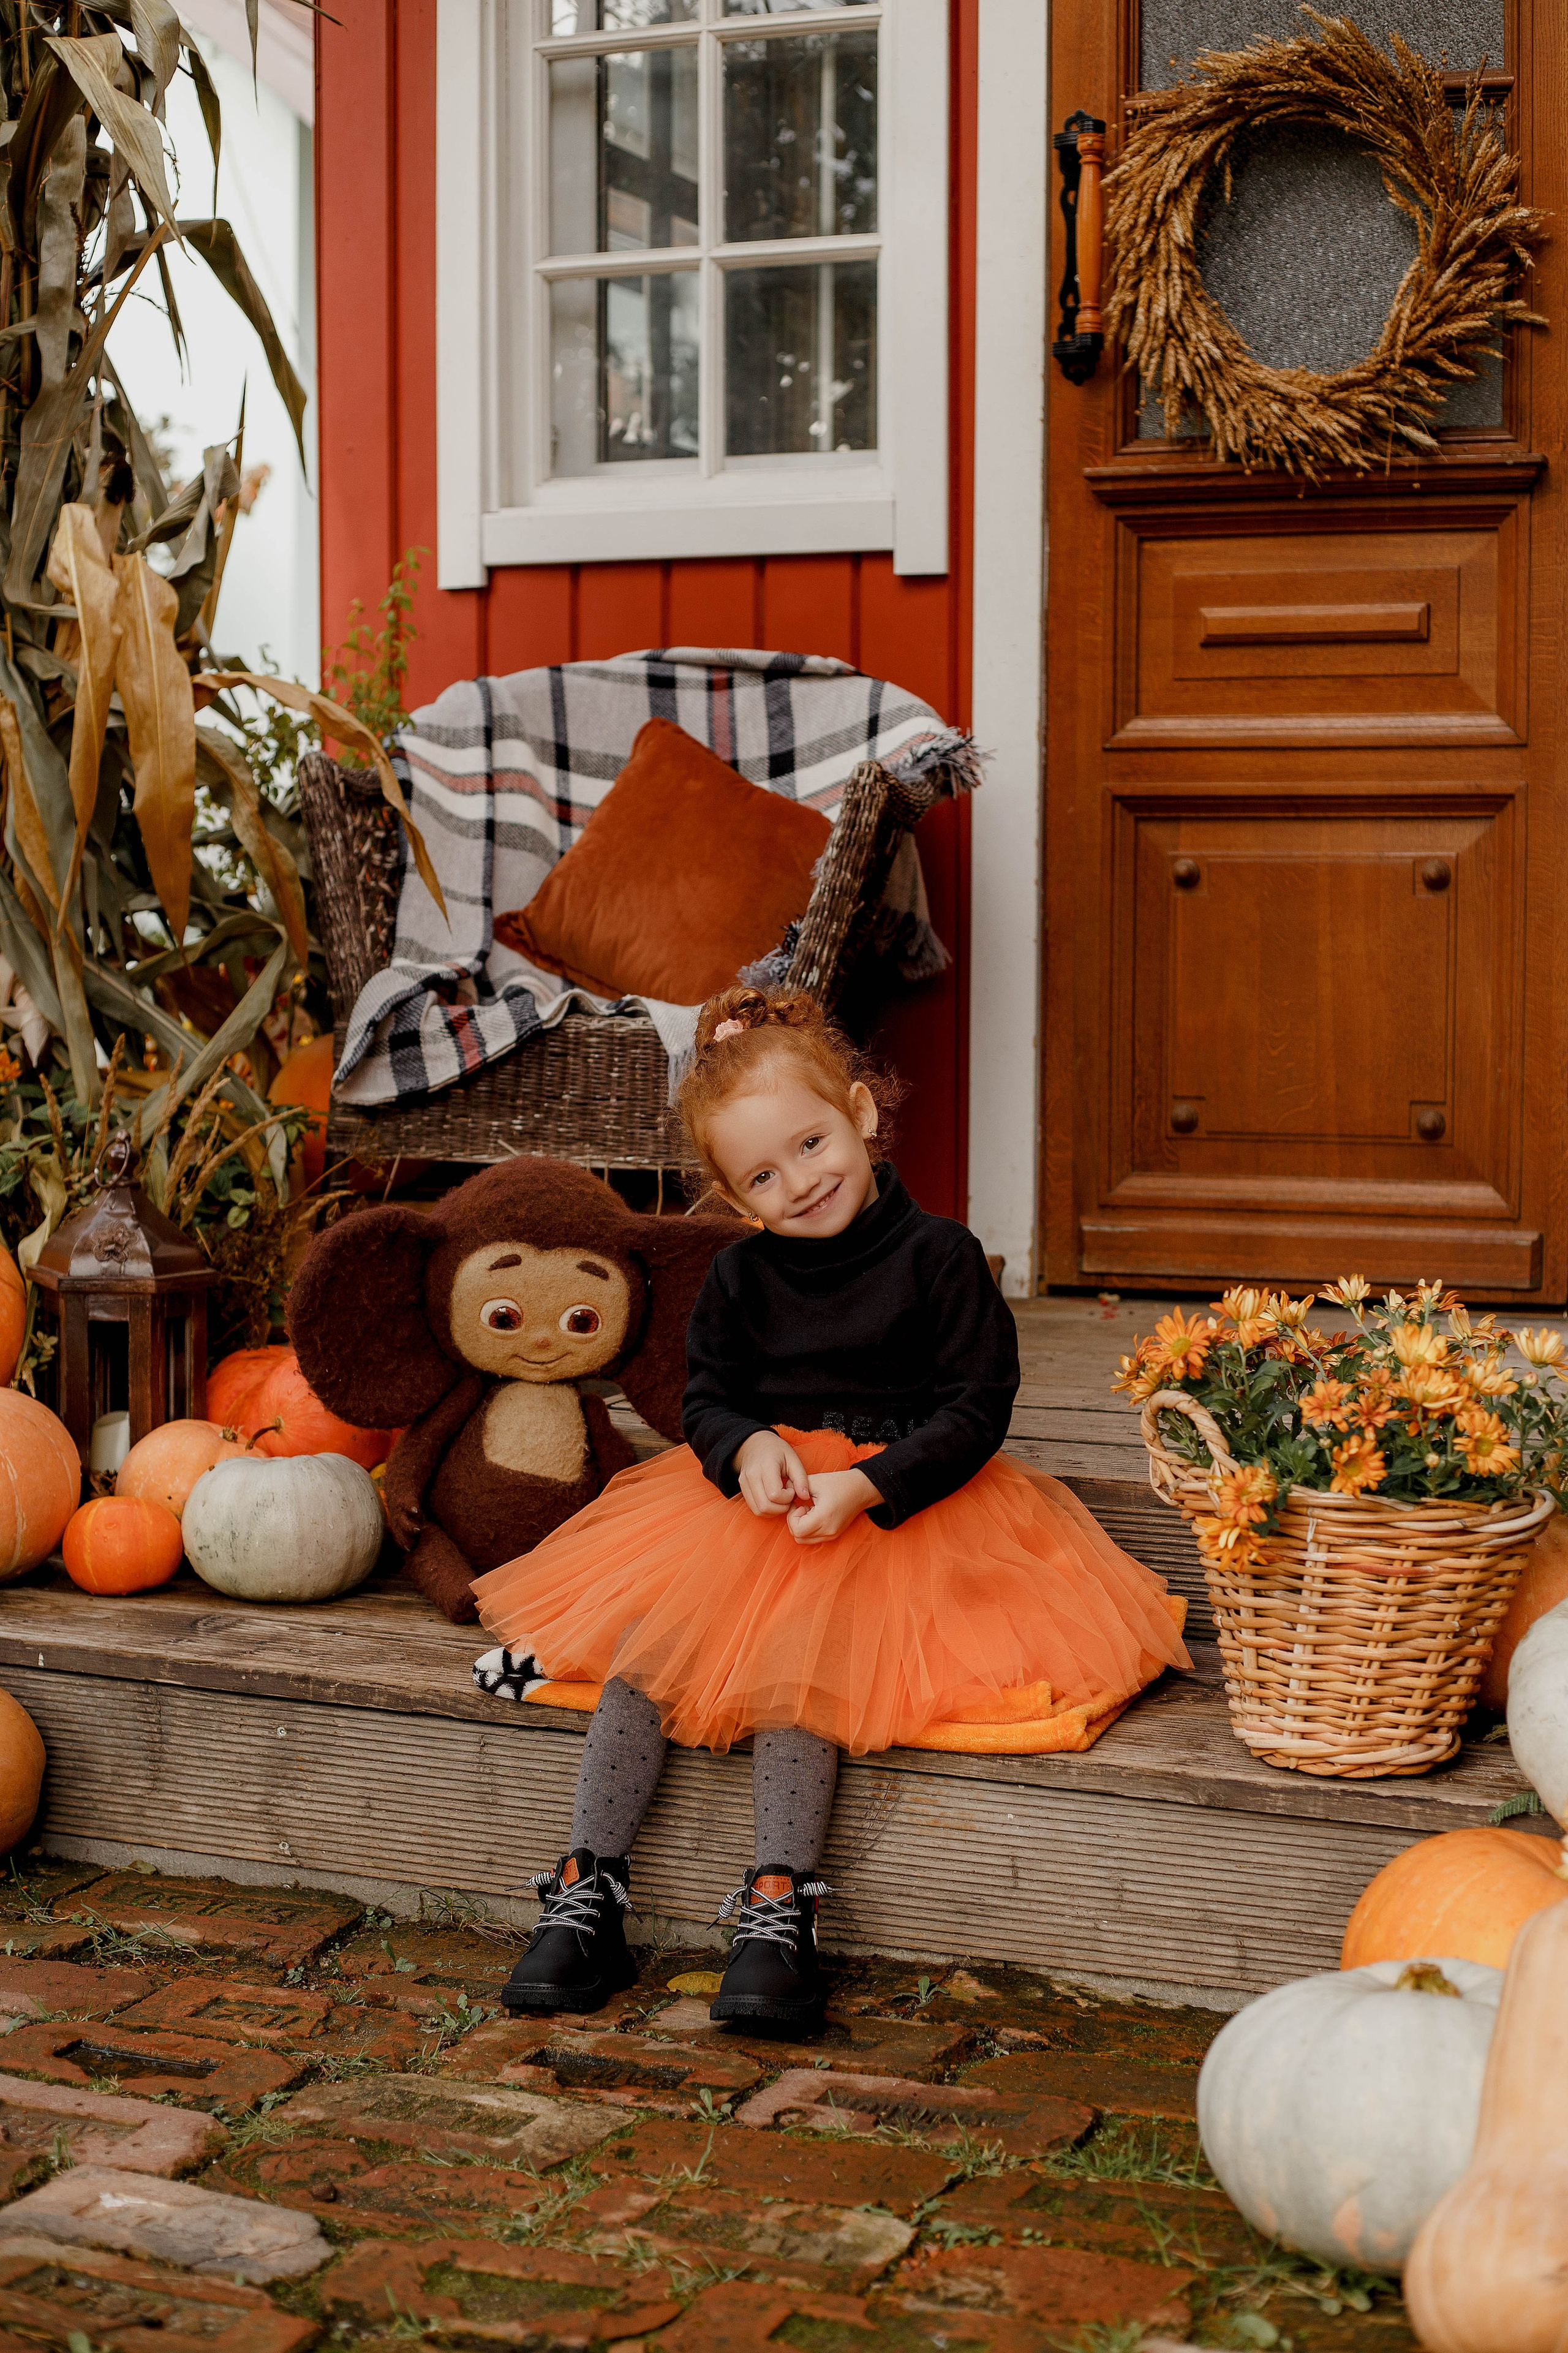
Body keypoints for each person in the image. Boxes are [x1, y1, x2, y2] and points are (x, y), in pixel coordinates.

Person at [472, 985, 1190, 2026]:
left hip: (906, 1509)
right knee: (648, 1655)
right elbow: (706, 1398)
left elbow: (976, 1407)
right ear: (731, 1194)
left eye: (811, 1144)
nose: (800, 1181)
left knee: (798, 1675)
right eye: (763, 1174)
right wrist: (746, 1446)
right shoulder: (740, 1280)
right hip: (761, 1514)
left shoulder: (941, 1258)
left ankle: (778, 1906)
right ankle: (588, 1890)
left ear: (859, 1111)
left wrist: (871, 1483)